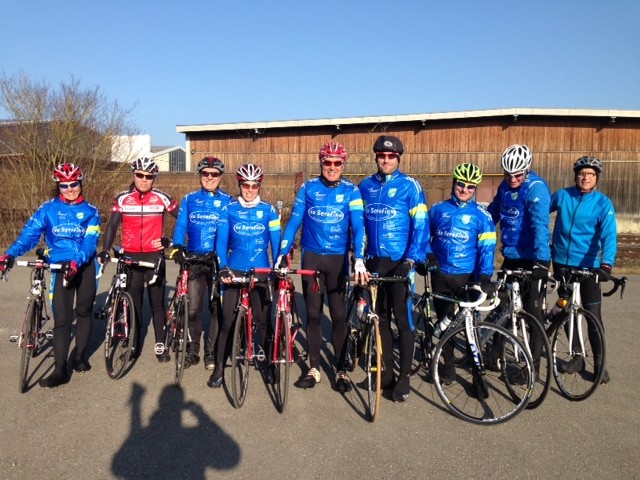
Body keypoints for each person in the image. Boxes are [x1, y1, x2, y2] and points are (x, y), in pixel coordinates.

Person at [0, 163, 100, 388]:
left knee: (84, 311)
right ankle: (60, 369)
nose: (69, 189)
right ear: (58, 186)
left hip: (83, 265)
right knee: (62, 321)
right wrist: (9, 255)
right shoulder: (47, 209)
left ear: (80, 183)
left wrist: (76, 262)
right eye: (63, 185)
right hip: (59, 267)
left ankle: (80, 356)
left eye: (73, 184)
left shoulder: (92, 211)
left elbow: (90, 242)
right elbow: (28, 235)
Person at [278, 141, 367, 392]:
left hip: (338, 259)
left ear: (343, 164)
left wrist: (358, 257)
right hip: (312, 257)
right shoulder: (308, 188)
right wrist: (283, 252)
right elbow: (294, 221)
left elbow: (359, 227)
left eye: (337, 163)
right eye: (327, 162)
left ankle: (340, 370)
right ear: (321, 163)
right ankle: (314, 367)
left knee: (338, 316)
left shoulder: (352, 191)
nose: (332, 167)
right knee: (314, 313)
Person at [358, 135, 429, 402]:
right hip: (375, 261)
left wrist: (412, 259)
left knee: (403, 319)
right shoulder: (365, 186)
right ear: (376, 157)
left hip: (401, 263)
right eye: (381, 156)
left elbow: (421, 225)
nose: (386, 160)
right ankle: (386, 374)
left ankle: (404, 379)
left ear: (399, 158)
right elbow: (360, 227)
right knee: (381, 319)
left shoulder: (411, 186)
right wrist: (359, 258)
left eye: (391, 156)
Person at [423, 163, 496, 390]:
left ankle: (477, 375)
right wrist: (427, 255)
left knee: (469, 328)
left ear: (475, 189)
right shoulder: (437, 209)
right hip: (440, 274)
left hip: (466, 277)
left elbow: (487, 248)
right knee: (444, 324)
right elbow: (424, 236)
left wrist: (484, 275)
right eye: (461, 184)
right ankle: (449, 367)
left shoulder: (482, 216)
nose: (464, 190)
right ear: (454, 183)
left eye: (470, 187)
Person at [207, 163, 281, 388]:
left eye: (254, 185)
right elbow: (220, 244)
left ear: (259, 186)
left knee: (263, 322)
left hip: (261, 270)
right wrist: (223, 267)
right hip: (235, 270)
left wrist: (279, 265)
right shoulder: (228, 210)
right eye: (245, 185)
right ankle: (219, 368)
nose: (250, 190)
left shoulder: (269, 211)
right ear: (239, 185)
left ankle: (270, 365)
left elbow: (277, 244)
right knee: (227, 321)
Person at [99, 157, 178, 362]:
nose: (144, 180)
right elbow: (112, 226)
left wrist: (171, 241)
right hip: (131, 256)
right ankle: (134, 344)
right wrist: (106, 250)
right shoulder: (123, 198)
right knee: (134, 303)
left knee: (157, 303)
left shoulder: (162, 198)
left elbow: (184, 219)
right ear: (134, 175)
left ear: (154, 178)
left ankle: (160, 344)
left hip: (154, 256)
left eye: (149, 177)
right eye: (140, 175)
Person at [550, 156, 616, 384]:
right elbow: (539, 215)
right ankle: (577, 357)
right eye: (581, 173)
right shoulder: (562, 195)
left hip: (589, 266)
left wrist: (606, 264)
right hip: (561, 263)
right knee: (566, 310)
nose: (585, 177)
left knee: (593, 317)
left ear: (596, 178)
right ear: (576, 175)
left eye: (590, 174)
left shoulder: (603, 203)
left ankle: (599, 365)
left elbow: (609, 236)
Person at [171, 157, 232, 370]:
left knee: (216, 308)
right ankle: (192, 350)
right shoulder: (189, 199)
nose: (209, 177)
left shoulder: (229, 200)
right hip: (195, 260)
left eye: (214, 174)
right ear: (200, 175)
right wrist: (178, 246)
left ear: (220, 177)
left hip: (216, 260)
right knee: (193, 309)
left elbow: (232, 232)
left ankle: (211, 353)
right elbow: (180, 226)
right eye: (205, 173)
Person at [487, 144, 551, 327]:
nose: (512, 179)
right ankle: (495, 354)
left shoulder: (536, 188)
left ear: (527, 170)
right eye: (507, 174)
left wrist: (542, 260)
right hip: (511, 255)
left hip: (532, 257)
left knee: (532, 310)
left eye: (517, 175)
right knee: (500, 306)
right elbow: (493, 212)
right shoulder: (504, 186)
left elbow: (540, 226)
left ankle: (536, 356)